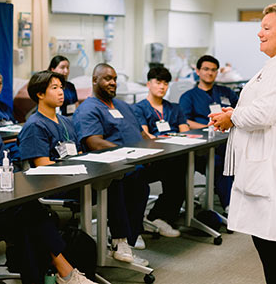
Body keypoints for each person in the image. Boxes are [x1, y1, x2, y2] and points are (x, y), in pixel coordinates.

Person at [0, 73, 95, 284]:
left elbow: (3, 171)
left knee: (30, 218)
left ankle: (55, 275)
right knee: (31, 214)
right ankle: (66, 272)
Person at [209, 2, 276, 284]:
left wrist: (233, 118)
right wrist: (234, 114)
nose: (259, 33)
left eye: (267, 28)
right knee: (266, 242)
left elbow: (265, 113)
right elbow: (263, 106)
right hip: (263, 166)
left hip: (270, 169)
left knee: (272, 242)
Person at [73, 63, 150, 266]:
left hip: (135, 162)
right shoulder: (88, 108)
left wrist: (150, 145)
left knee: (149, 182)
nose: (113, 82)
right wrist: (125, 152)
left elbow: (140, 132)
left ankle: (130, 238)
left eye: (115, 78)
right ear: (94, 80)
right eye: (107, 78)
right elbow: (93, 141)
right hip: (108, 169)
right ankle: (120, 240)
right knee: (122, 184)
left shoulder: (123, 106)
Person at [132, 67, 187, 237]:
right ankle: (159, 217)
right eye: (158, 82)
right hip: (152, 158)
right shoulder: (139, 108)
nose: (162, 87)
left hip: (172, 156)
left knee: (179, 171)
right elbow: (146, 136)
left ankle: (159, 217)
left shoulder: (174, 108)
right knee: (176, 172)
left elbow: (185, 132)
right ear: (149, 84)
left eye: (165, 83)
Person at [179, 55, 238, 211]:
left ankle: (241, 198)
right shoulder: (188, 97)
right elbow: (184, 121)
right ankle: (230, 205)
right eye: (206, 69)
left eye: (213, 70)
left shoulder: (226, 92)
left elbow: (239, 111)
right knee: (221, 163)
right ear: (197, 71)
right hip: (202, 146)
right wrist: (210, 126)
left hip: (227, 140)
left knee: (238, 157)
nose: (210, 73)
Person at [18, 70, 81, 168]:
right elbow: (43, 165)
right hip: (53, 180)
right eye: (54, 88)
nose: (61, 92)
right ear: (40, 94)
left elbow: (80, 154)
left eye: (61, 87)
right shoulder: (35, 126)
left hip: (76, 175)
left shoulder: (67, 121)